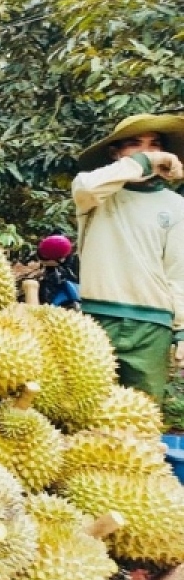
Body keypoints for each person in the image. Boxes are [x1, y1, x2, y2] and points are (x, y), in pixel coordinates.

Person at [72, 114, 184, 400]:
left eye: (154, 145)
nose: (147, 151)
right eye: (135, 144)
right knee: (84, 412)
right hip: (97, 319)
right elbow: (85, 186)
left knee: (141, 419)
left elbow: (178, 273)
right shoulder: (96, 196)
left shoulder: (176, 206)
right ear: (116, 153)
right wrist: (142, 164)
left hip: (152, 326)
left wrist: (181, 329)